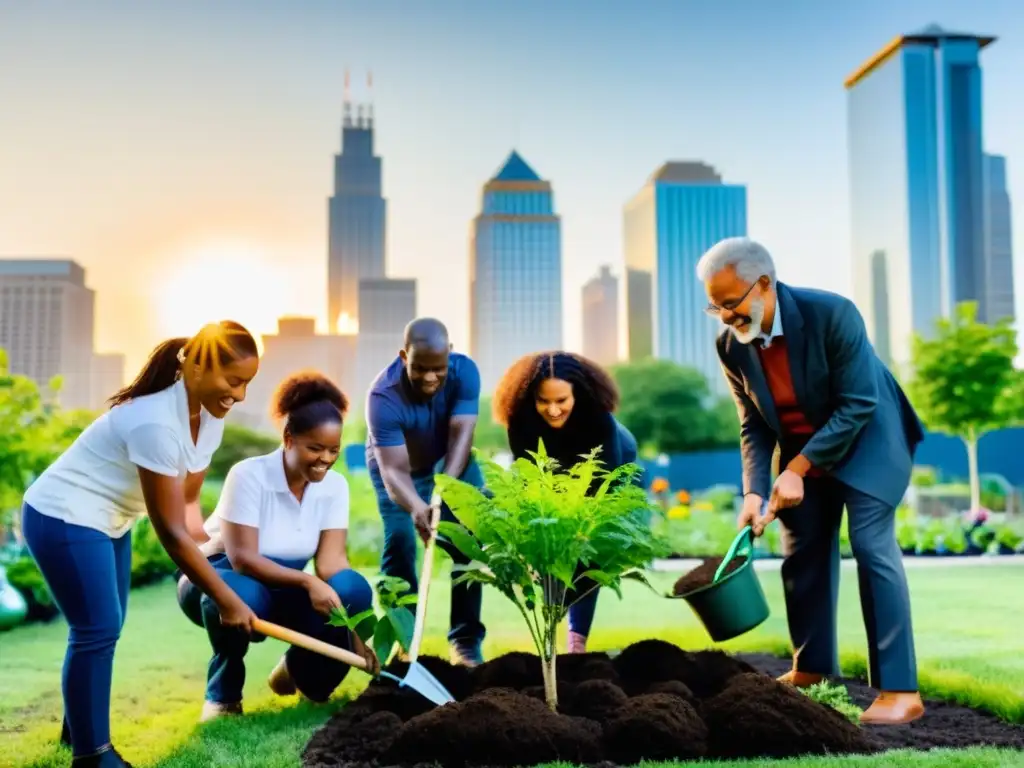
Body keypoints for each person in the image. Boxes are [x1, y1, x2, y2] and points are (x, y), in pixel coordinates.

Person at [696, 236, 926, 726]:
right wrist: (755, 490)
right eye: (714, 307)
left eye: (730, 304)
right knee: (802, 549)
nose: (725, 317)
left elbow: (859, 402)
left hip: (868, 441)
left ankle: (900, 690)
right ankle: (813, 669)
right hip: (802, 450)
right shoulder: (730, 345)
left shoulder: (832, 314)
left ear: (763, 285)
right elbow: (753, 423)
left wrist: (797, 469)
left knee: (869, 545)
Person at [21, 321, 261, 767]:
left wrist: (212, 554)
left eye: (247, 382)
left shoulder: (208, 419)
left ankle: (79, 728)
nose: (241, 395)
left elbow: (188, 505)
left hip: (109, 520)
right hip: (63, 516)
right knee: (97, 629)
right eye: (233, 381)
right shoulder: (154, 422)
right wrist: (227, 599)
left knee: (104, 629)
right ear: (195, 369)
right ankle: (93, 755)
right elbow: (168, 530)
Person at [176, 371, 378, 721]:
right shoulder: (249, 475)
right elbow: (243, 560)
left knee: (352, 588)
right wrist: (308, 581)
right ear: (288, 438)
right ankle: (222, 697)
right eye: (314, 448)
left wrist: (357, 631)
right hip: (217, 578)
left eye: (333, 449)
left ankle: (298, 670)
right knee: (242, 594)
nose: (325, 459)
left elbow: (331, 565)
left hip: (278, 586)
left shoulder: (335, 486)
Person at [492, 351, 641, 654]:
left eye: (562, 400)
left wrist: (582, 533)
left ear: (579, 395)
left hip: (609, 466)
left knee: (589, 551)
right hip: (555, 471)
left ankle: (577, 643)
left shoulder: (599, 420)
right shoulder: (519, 421)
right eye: (543, 401)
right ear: (529, 398)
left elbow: (603, 489)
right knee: (550, 543)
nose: (553, 409)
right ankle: (552, 629)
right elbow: (528, 482)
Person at [365, 317, 485, 666]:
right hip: (398, 468)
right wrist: (419, 507)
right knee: (401, 540)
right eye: (420, 369)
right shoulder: (383, 395)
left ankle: (464, 642)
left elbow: (463, 435)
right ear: (404, 356)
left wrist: (443, 489)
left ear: (450, 354)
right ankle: (405, 643)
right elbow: (393, 471)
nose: (430, 378)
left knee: (469, 538)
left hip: (451, 459)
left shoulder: (465, 372)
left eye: (438, 368)